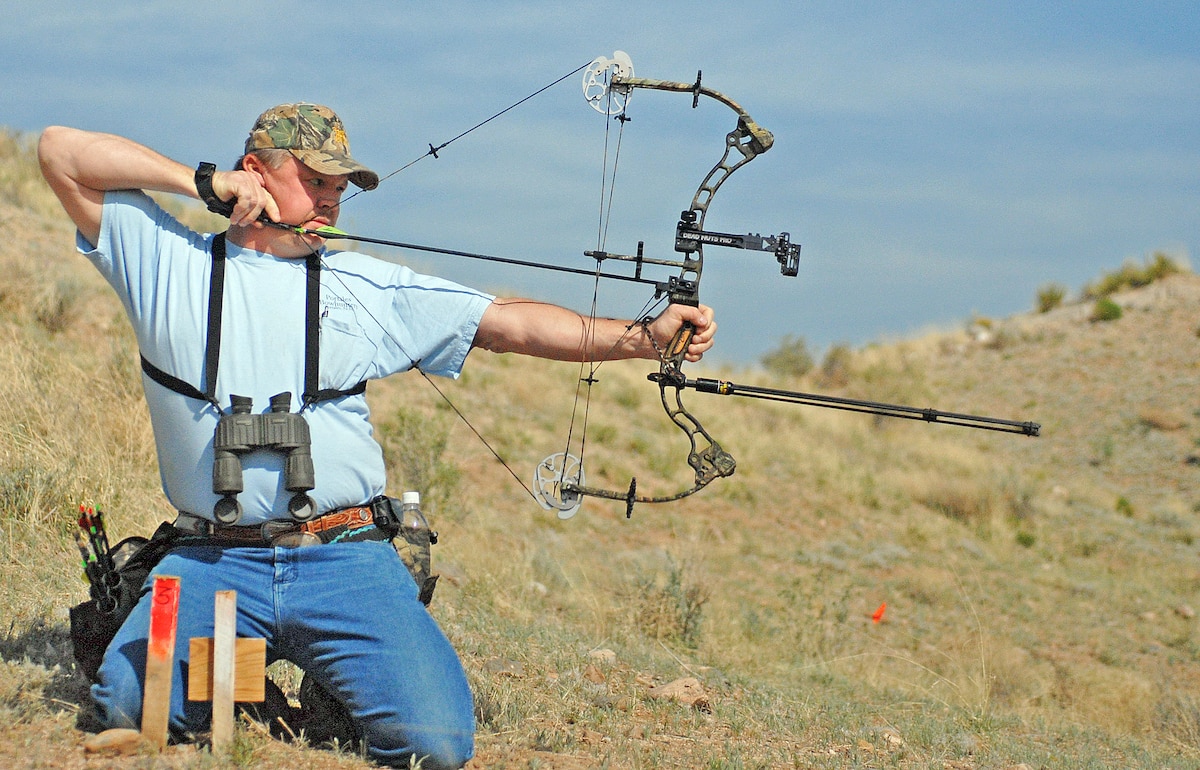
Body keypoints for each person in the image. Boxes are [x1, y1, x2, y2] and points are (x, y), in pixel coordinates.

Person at [38, 103, 715, 769]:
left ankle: (328, 687)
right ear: (255, 172)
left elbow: (507, 323)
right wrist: (202, 183)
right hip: (214, 560)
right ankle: (245, 689)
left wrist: (643, 339)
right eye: (315, 181)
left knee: (435, 744)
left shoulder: (363, 284)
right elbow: (60, 151)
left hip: (342, 560)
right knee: (128, 707)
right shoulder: (166, 263)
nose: (330, 203)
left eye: (340, 189)